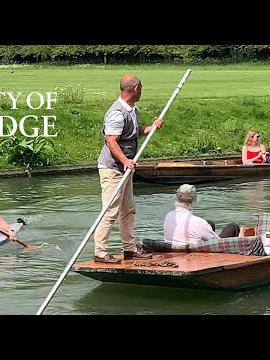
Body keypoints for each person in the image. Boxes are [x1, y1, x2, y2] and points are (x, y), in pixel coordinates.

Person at [93, 74, 163, 264]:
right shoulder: (116, 113)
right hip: (112, 169)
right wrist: (125, 160)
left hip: (125, 168)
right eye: (142, 88)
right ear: (136, 89)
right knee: (110, 211)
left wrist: (150, 128)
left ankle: (129, 249)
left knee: (128, 210)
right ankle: (100, 253)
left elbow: (134, 131)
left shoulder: (132, 109)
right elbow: (111, 141)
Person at [164, 184, 241, 245]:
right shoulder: (197, 222)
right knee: (232, 227)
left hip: (174, 247)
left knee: (209, 223)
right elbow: (217, 242)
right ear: (194, 201)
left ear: (176, 199)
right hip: (195, 251)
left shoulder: (169, 216)